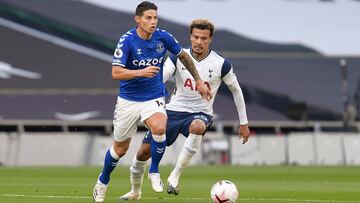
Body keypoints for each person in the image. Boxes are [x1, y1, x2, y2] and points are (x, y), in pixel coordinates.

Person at [119, 19, 250, 201]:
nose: (198, 41)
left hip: (200, 113)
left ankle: (175, 175)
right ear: (190, 37)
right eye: (195, 37)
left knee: (197, 126)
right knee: (143, 153)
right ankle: (135, 191)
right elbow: (162, 77)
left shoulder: (221, 64)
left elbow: (237, 91)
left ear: (210, 39)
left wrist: (244, 123)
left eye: (203, 38)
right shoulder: (178, 56)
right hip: (173, 110)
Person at [92, 2, 211, 202]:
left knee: (159, 127)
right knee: (120, 149)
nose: (153, 22)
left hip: (153, 97)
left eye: (155, 17)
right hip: (128, 101)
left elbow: (184, 56)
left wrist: (198, 80)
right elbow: (115, 72)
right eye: (148, 18)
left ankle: (154, 171)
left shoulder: (163, 37)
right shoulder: (127, 41)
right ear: (137, 19)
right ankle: (102, 181)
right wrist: (141, 72)